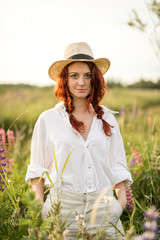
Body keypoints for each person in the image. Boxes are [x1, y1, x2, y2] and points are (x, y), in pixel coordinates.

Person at [25, 42, 133, 240]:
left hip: (105, 209)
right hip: (62, 211)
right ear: (65, 80)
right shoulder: (48, 119)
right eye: (74, 75)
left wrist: (120, 205)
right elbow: (37, 170)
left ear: (95, 79)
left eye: (87, 75)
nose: (81, 82)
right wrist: (40, 208)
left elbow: (118, 167)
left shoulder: (107, 118)